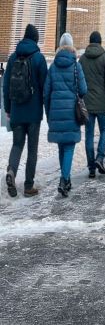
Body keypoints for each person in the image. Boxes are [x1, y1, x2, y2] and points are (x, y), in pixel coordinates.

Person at [3, 24, 48, 198]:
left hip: (16, 110)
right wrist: (46, 108)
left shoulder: (13, 57)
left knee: (17, 144)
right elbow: (45, 87)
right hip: (33, 112)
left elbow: (6, 86)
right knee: (32, 149)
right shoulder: (39, 58)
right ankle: (28, 186)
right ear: (36, 39)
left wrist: (8, 109)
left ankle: (11, 171)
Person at [44, 33, 88, 198]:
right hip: (71, 112)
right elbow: (83, 90)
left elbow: (46, 93)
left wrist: (49, 113)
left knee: (61, 146)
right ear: (71, 47)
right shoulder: (76, 66)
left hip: (55, 112)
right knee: (69, 146)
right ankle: (64, 179)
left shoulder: (53, 67)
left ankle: (66, 179)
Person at [79, 31, 105, 179]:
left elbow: (78, 81)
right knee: (104, 131)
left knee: (89, 134)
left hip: (87, 104)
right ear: (100, 42)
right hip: (101, 103)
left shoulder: (82, 59)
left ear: (90, 42)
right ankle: (100, 158)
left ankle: (91, 168)